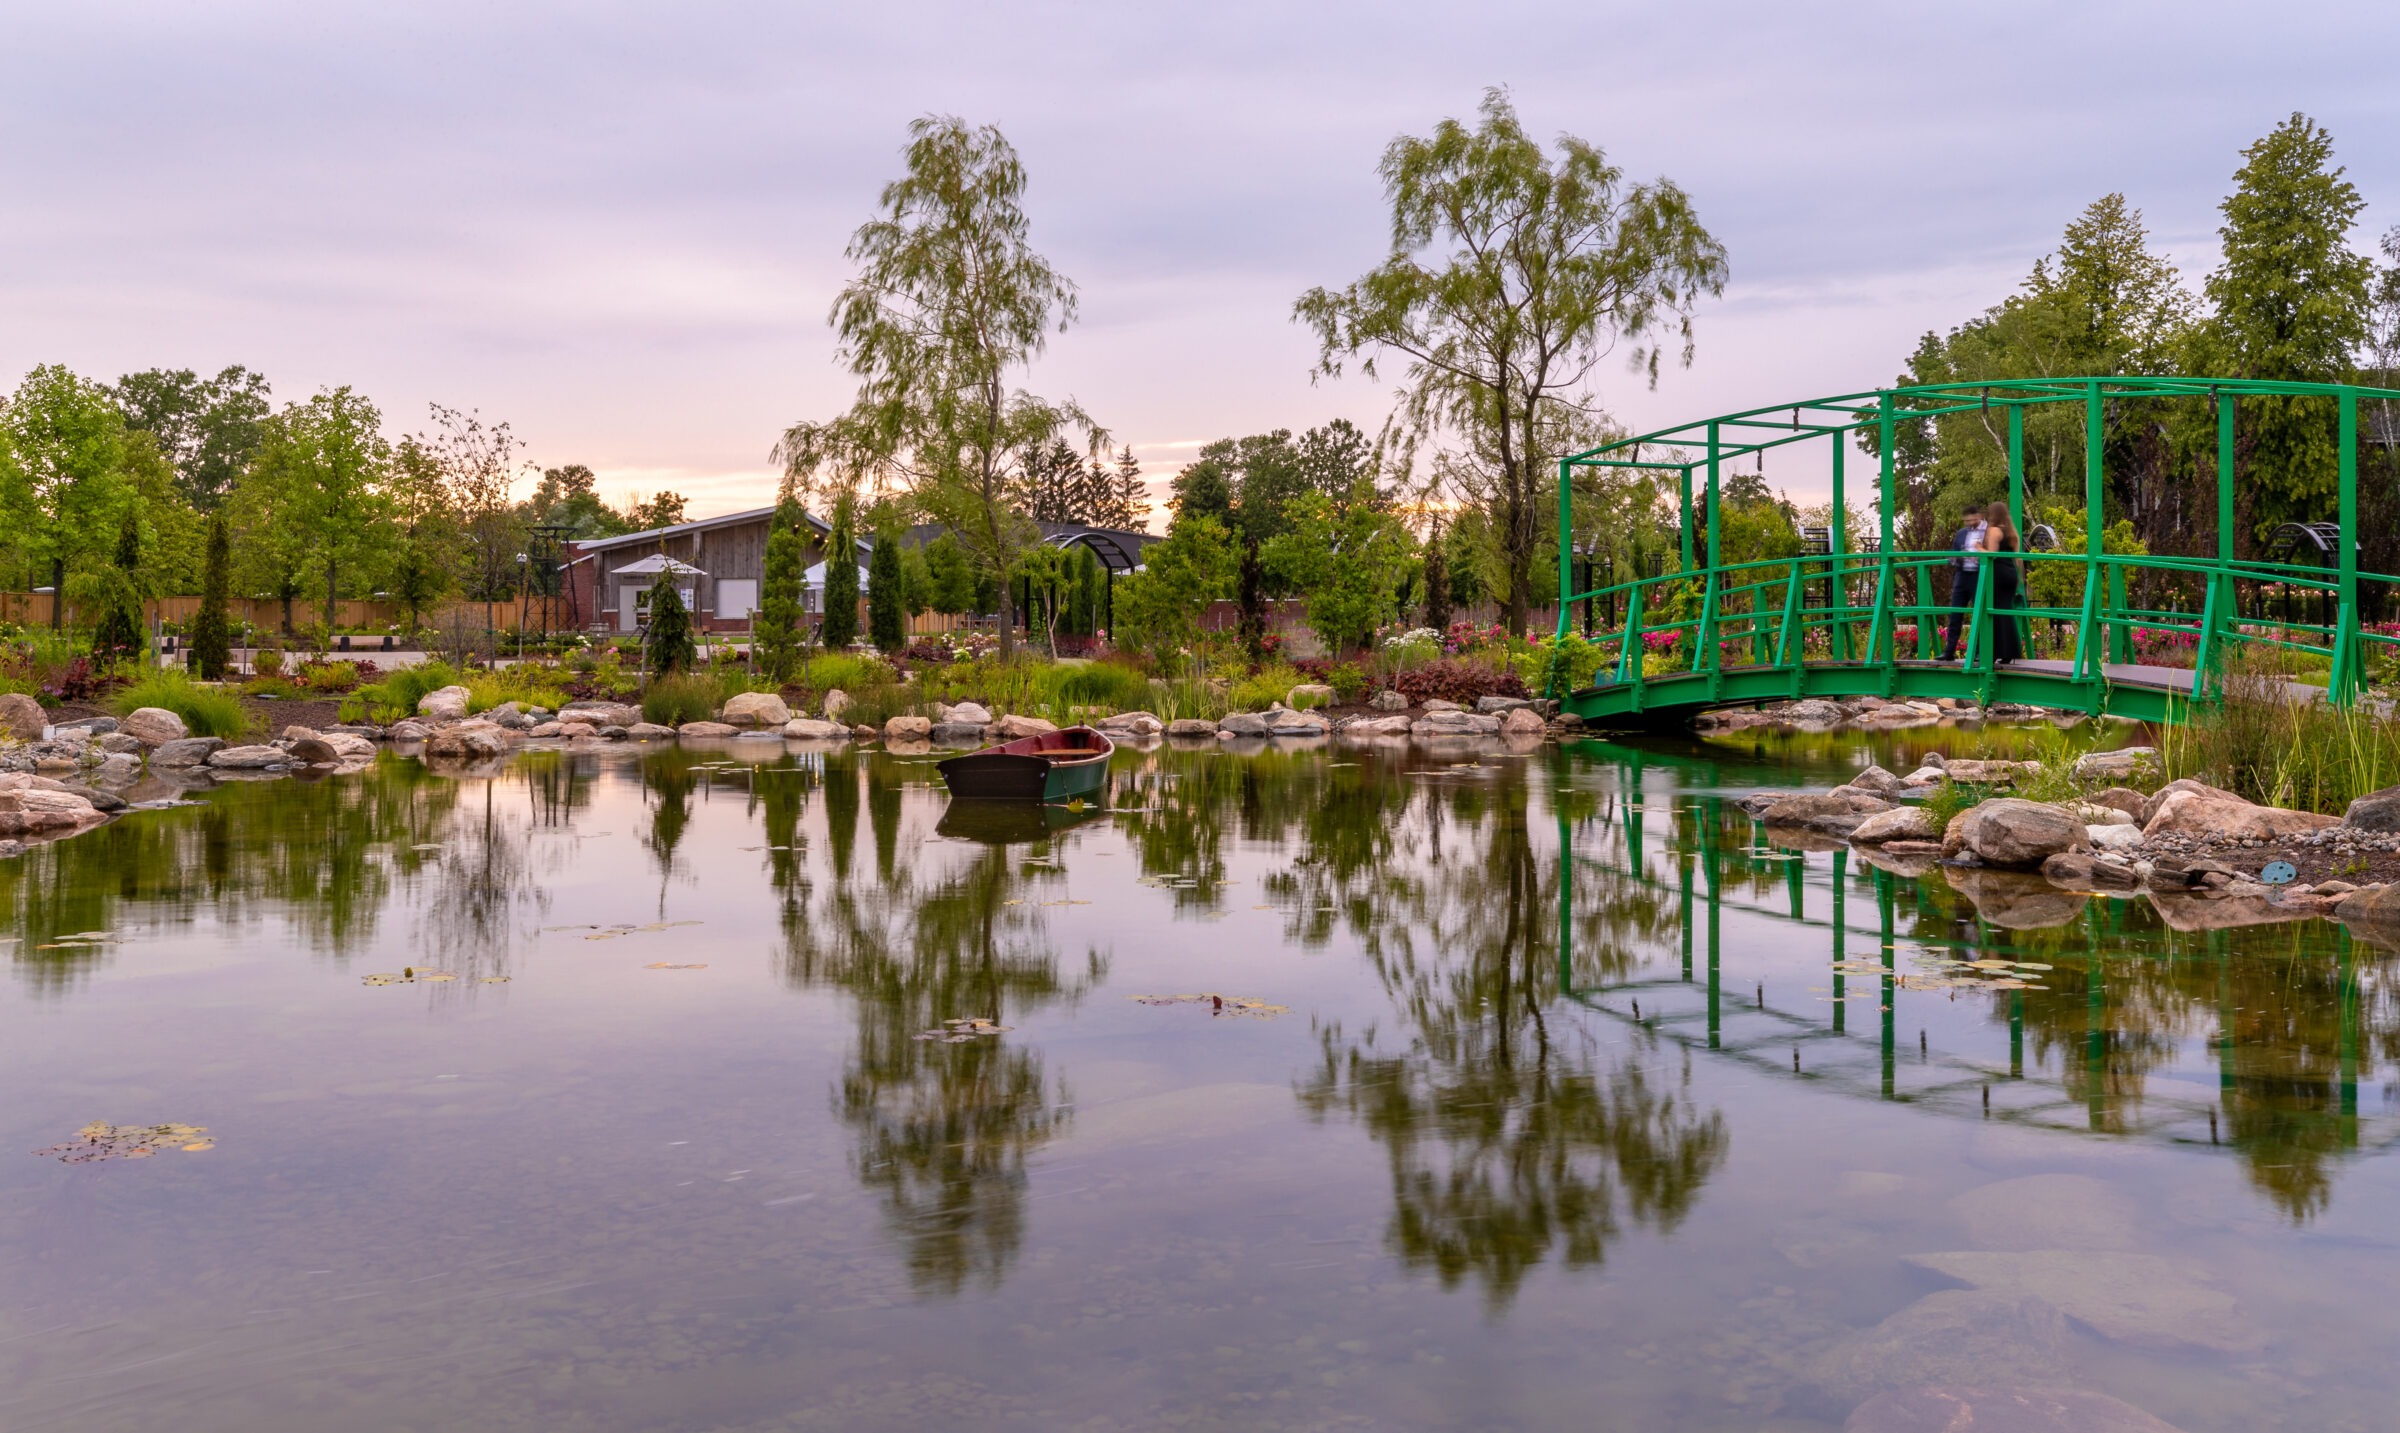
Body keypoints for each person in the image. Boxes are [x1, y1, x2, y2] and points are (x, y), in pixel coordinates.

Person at [1941, 510, 1988, 661]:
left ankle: (1979, 653)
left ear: (1979, 516)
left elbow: (1993, 554)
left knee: (1980, 614)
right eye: (1966, 521)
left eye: (1971, 520)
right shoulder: (1961, 533)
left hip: (1978, 575)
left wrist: (1978, 556)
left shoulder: (1988, 532)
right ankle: (1949, 651)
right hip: (1962, 576)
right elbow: (1952, 555)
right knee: (1955, 613)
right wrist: (1958, 557)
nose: (1968, 524)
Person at [1982, 500, 2023, 664]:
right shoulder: (2012, 533)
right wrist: (2020, 578)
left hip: (1997, 574)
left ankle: (1992, 651)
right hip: (2010, 573)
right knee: (2006, 610)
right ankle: (2009, 651)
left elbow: (1992, 554)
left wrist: (1978, 548)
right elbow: (2019, 558)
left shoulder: (1994, 531)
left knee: (1993, 611)